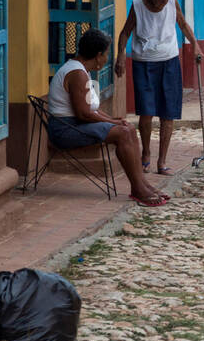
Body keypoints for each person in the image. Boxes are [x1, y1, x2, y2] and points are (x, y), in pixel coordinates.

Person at [48, 29, 170, 207]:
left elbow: (92, 109)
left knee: (127, 128)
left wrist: (116, 120)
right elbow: (84, 114)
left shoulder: (82, 70)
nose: (106, 58)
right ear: (98, 56)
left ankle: (142, 183)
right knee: (122, 133)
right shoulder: (77, 74)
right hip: (65, 130)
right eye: (106, 54)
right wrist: (113, 123)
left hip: (76, 124)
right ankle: (137, 187)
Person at [115, 0, 202, 177]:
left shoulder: (172, 1)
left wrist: (196, 45)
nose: (165, 1)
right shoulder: (137, 5)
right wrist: (120, 55)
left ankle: (162, 161)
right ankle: (146, 154)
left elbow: (182, 24)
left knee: (168, 113)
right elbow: (125, 32)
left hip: (169, 61)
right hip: (144, 63)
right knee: (146, 113)